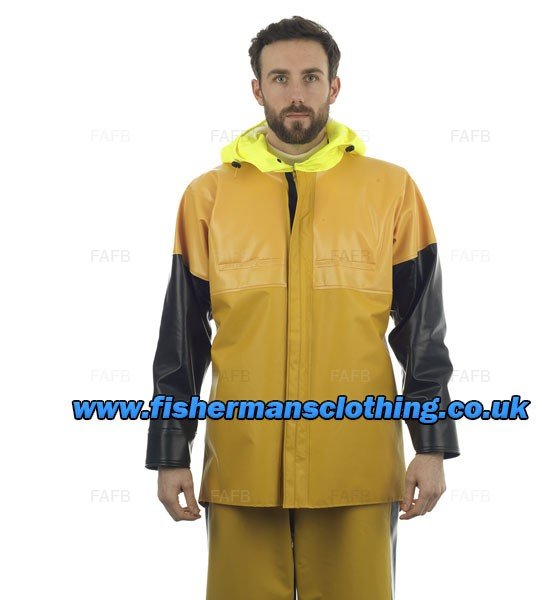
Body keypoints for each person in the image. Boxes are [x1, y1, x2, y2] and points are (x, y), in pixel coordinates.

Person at [145, 15, 460, 600]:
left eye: (311, 77)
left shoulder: (391, 191)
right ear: (257, 88)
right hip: (242, 467)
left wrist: (433, 444)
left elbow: (422, 332)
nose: (296, 93)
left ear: (333, 86)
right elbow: (181, 338)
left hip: (356, 468)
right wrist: (170, 452)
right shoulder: (207, 197)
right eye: (280, 78)